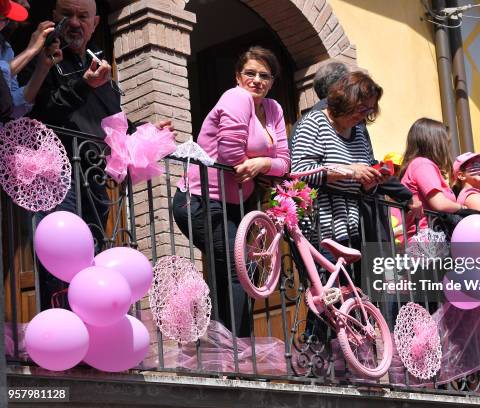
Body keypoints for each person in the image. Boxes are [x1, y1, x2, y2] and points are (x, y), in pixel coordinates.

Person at [25, 0, 174, 310]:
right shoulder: (44, 61)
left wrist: (145, 132)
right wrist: (83, 85)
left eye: (83, 17)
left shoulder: (102, 68)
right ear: (54, 19)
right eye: (67, 15)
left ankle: (88, 334)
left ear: (95, 24)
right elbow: (42, 114)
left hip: (95, 179)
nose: (75, 24)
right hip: (56, 177)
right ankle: (61, 333)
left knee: (90, 256)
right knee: (60, 259)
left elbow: (113, 123)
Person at [173, 46, 290, 337]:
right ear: (238, 77)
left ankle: (229, 346)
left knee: (238, 272)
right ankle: (233, 347)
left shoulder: (273, 108)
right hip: (201, 201)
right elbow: (229, 152)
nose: (257, 80)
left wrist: (263, 163)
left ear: (272, 81)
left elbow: (285, 161)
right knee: (238, 269)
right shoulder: (236, 97)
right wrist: (256, 165)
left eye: (265, 75)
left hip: (237, 204)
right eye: (250, 73)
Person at [291, 71, 388, 248]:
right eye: (361, 108)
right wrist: (348, 170)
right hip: (321, 228)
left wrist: (369, 184)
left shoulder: (358, 131)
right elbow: (300, 170)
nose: (364, 115)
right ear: (345, 100)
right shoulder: (315, 122)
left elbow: (357, 180)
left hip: (352, 228)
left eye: (369, 110)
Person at [398, 117, 472, 239]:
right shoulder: (423, 164)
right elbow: (440, 204)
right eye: (446, 143)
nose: (448, 148)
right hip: (427, 242)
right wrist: (462, 208)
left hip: (430, 239)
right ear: (435, 143)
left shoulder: (421, 165)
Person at [1, 0, 62, 119]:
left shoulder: (6, 49)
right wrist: (30, 50)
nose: (28, 5)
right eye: (3, 18)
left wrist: (43, 67)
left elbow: (13, 108)